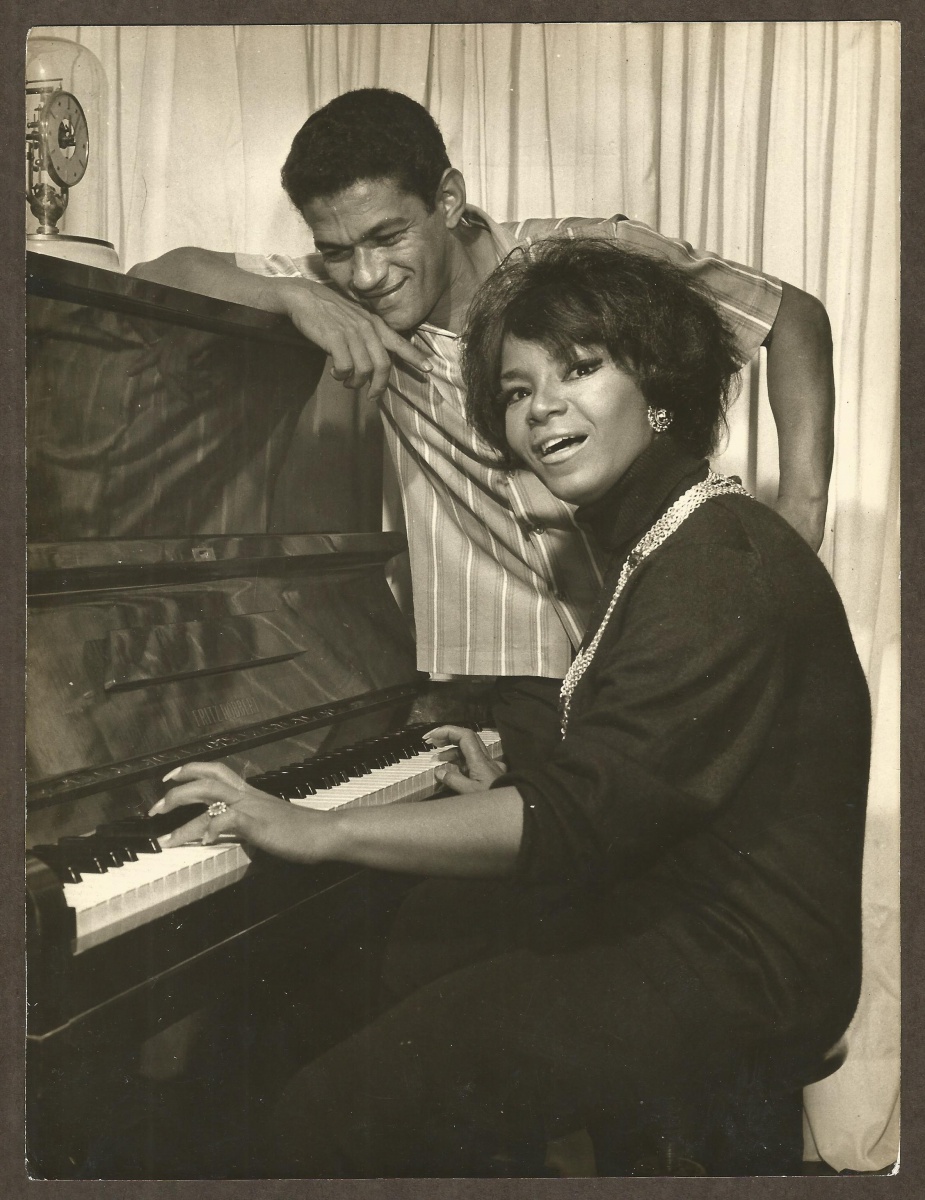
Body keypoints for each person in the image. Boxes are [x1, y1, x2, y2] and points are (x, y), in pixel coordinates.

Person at [150, 238, 869, 1178]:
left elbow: (577, 821)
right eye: (517, 390)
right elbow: (645, 780)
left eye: (580, 368)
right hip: (670, 913)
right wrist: (509, 785)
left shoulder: (715, 562)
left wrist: (314, 826)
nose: (542, 409)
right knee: (392, 961)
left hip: (738, 963)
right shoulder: (667, 541)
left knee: (329, 1110)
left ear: (658, 388)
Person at [130, 88, 836, 770]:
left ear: (447, 199)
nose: (366, 275)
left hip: (665, 639)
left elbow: (790, 315)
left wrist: (800, 513)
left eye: (387, 237)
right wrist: (287, 295)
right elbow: (155, 274)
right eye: (337, 250)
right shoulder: (341, 293)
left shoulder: (585, 257)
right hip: (522, 673)